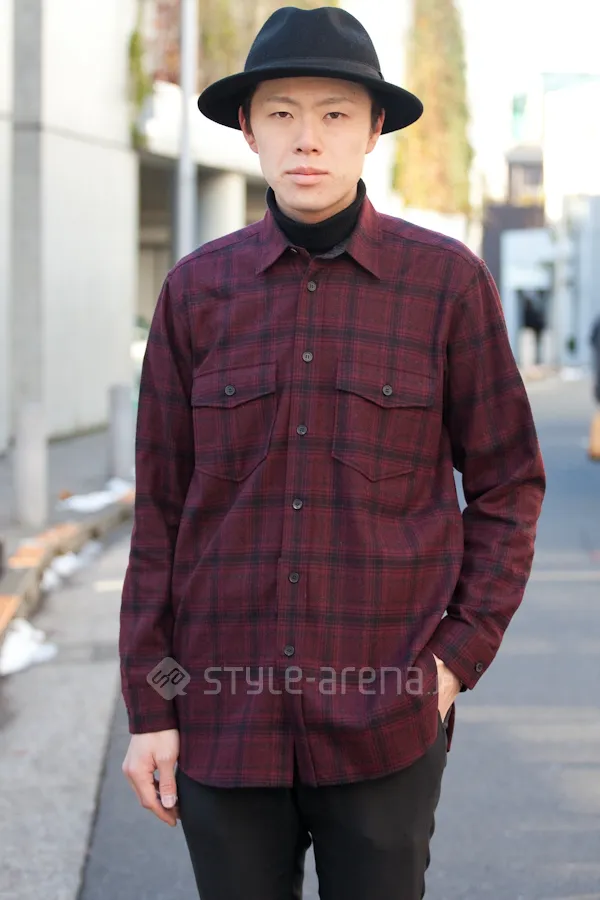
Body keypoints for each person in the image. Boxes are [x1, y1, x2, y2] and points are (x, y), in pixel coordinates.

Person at [119, 7, 546, 899]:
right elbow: (158, 517)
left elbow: (508, 485)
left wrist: (452, 663)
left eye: (335, 113)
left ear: (373, 128)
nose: (306, 138)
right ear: (248, 129)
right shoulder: (195, 294)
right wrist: (154, 704)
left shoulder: (447, 286)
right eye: (281, 113)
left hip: (386, 724)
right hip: (221, 722)